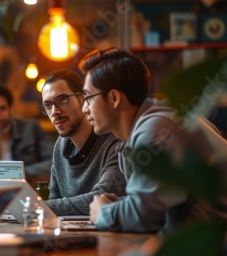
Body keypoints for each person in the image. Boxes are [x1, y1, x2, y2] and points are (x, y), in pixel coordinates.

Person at [80, 48, 227, 233]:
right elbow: (155, 206)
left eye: (88, 98)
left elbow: (145, 216)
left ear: (114, 98)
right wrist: (120, 206)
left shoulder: (156, 128)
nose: (84, 109)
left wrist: (103, 213)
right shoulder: (148, 126)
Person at [40, 69, 126, 215]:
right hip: (69, 236)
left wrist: (36, 207)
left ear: (83, 98)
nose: (54, 111)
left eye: (62, 100)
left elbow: (102, 199)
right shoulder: (60, 146)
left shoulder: (115, 140)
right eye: (48, 105)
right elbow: (54, 200)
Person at [0, 84, 54, 182]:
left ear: (10, 108)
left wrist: (21, 173)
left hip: (25, 189)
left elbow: (54, 162)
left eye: (2, 108)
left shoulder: (31, 128)